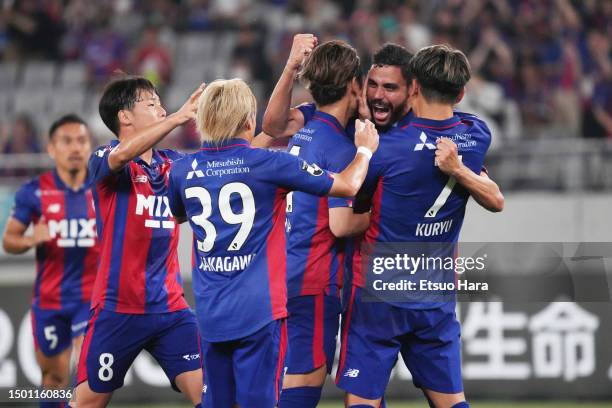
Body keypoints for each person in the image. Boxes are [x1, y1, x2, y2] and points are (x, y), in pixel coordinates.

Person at [167, 78, 379, 408]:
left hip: (209, 312)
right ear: (249, 120)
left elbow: (180, 214)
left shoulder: (182, 171)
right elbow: (348, 185)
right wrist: (365, 149)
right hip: (258, 312)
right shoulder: (270, 165)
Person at [336, 45, 504, 408]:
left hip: (380, 292)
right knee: (450, 400)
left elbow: (358, 206)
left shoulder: (385, 148)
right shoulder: (476, 135)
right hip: (435, 293)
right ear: (461, 94)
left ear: (412, 88)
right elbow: (493, 198)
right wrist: (458, 169)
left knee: (362, 399)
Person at [75, 76, 204, 408]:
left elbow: (223, 166)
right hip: (117, 310)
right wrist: (177, 117)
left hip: (171, 310)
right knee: (87, 402)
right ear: (125, 117)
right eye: (151, 103)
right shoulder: (105, 160)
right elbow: (119, 157)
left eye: (161, 102)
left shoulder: (172, 164)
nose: (161, 107)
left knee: (212, 395)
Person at [261, 39, 371, 407]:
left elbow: (272, 123)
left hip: (284, 270)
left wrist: (292, 65)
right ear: (354, 84)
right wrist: (386, 214)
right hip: (314, 277)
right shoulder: (341, 148)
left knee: (286, 371)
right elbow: (341, 225)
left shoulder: (305, 126)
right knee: (306, 375)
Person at [2, 114, 98, 408]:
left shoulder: (103, 189)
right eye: (66, 141)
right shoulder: (34, 191)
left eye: (81, 141)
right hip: (50, 302)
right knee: (55, 381)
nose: (75, 147)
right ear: (51, 148)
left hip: (91, 299)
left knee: (87, 374)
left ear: (89, 146)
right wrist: (31, 238)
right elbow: (9, 239)